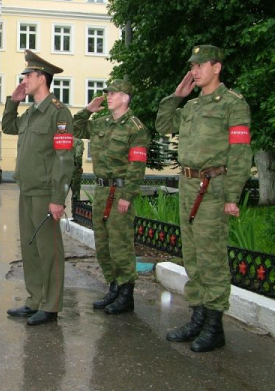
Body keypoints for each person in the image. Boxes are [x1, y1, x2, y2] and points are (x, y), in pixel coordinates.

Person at [156, 45, 252, 352]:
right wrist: (177, 96)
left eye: (199, 65)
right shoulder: (192, 107)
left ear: (217, 67)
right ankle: (198, 317)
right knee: (193, 256)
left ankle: (214, 326)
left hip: (213, 188)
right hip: (187, 186)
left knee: (212, 258)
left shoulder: (233, 104)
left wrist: (232, 196)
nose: (194, 71)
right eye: (192, 66)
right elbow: (162, 124)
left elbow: (240, 153)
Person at [1, 49, 74, 326]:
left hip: (46, 193)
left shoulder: (59, 113)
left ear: (42, 78)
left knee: (49, 250)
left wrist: (58, 198)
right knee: (30, 249)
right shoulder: (31, 113)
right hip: (27, 190)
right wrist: (13, 101)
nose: (24, 80)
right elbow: (8, 127)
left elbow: (64, 159)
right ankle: (35, 300)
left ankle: (51, 305)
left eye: (28, 76)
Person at [74, 79, 150, 314]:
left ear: (125, 98)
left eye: (113, 93)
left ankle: (126, 293)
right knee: (103, 243)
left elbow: (137, 165)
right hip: (101, 190)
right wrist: (87, 111)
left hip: (120, 191)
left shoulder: (136, 129)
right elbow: (75, 128)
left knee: (120, 244)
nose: (108, 96)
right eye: (108, 93)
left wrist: (128, 195)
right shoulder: (101, 123)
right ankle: (114, 286)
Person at [71, 137, 84, 201]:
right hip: (73, 170)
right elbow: (78, 156)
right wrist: (79, 167)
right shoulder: (78, 142)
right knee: (75, 195)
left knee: (59, 196)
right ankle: (75, 210)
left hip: (60, 169)